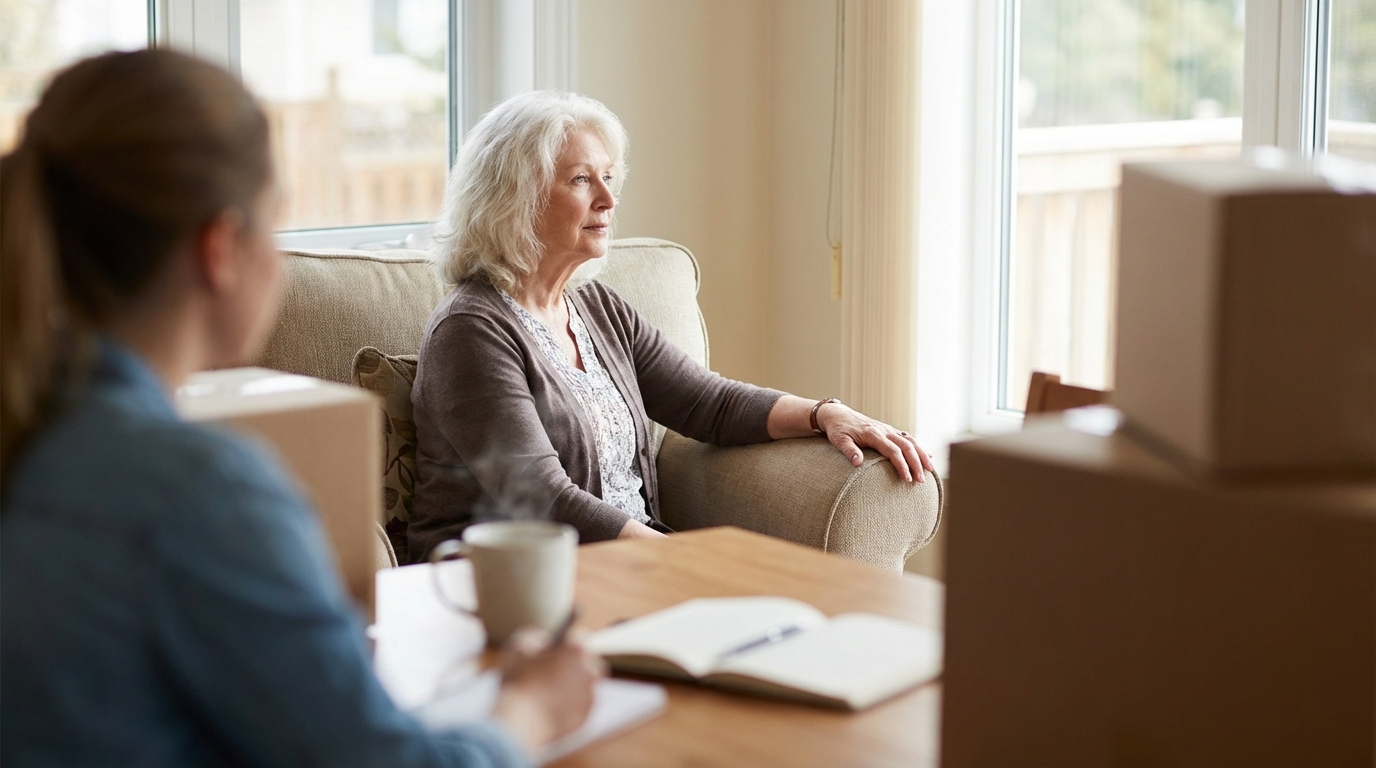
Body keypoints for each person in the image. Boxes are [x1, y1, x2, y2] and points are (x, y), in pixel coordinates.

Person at [0, 50, 601, 767]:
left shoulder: (38, 431)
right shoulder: (200, 493)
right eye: (274, 223)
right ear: (221, 248)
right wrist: (528, 710)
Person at [408, 90, 936, 561]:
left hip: (621, 567)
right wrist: (688, 562)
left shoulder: (597, 308)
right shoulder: (470, 331)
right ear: (513, 198)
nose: (609, 201)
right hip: (507, 587)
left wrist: (827, 413)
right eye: (581, 179)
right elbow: (544, 496)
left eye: (609, 179)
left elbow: (709, 403)